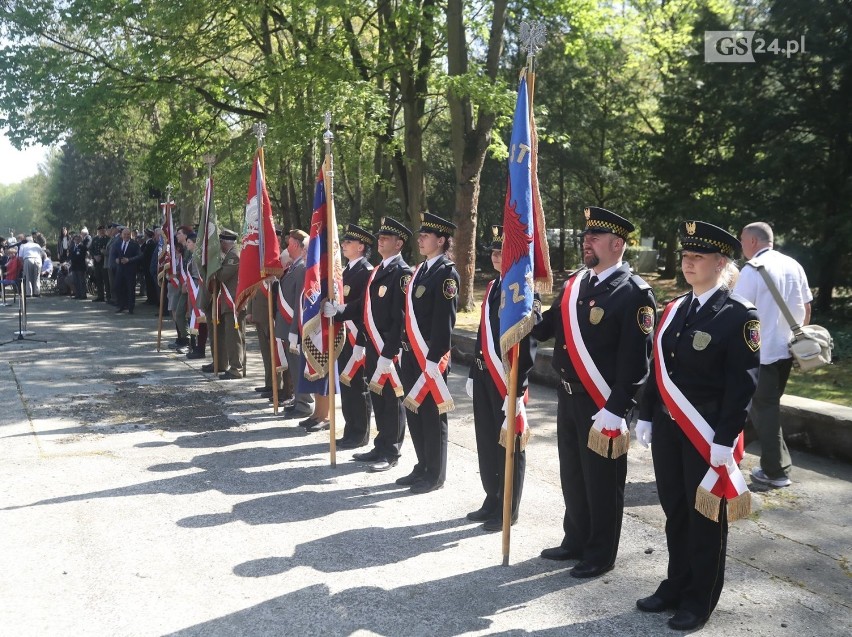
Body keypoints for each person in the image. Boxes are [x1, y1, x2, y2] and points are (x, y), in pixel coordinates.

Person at [634, 221, 760, 631]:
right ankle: (676, 583)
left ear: (720, 262)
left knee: (705, 517)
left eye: (697, 257)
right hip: (670, 431)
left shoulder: (739, 316)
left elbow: (743, 386)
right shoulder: (675, 310)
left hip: (706, 435)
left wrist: (726, 439)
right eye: (685, 256)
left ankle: (699, 599)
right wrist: (648, 413)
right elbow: (658, 370)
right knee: (674, 510)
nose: (688, 263)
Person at [531, 206, 656, 578]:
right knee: (572, 472)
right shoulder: (575, 283)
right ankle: (576, 539)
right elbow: (548, 328)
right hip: (568, 395)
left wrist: (617, 409)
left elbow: (637, 362)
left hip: (603, 403)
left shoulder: (634, 293)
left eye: (595, 238)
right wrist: (527, 312)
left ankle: (601, 553)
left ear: (616, 244)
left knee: (602, 481)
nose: (587, 242)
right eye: (586, 237)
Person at [466, 225, 539, 530]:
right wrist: (473, 371)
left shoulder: (525, 293)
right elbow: (482, 335)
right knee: (486, 440)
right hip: (485, 377)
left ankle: (508, 508)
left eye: (502, 251)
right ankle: (492, 496)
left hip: (508, 382)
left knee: (509, 444)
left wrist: (518, 389)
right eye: (494, 252)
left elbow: (528, 345)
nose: (496, 256)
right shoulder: (495, 287)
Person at [734, 221, 812, 488]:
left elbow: (738, 313)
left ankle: (776, 471)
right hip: (786, 351)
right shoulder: (794, 265)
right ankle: (740, 453)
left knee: (765, 409)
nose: (741, 245)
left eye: (742, 240)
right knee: (764, 407)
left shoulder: (752, 270)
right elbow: (807, 308)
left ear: (753, 242)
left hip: (761, 353)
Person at [395, 212, 459, 493]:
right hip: (410, 355)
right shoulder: (420, 269)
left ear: (441, 240)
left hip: (430, 359)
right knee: (415, 412)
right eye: (420, 235)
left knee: (433, 417)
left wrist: (435, 360)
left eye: (425, 235)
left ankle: (435, 473)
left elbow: (444, 321)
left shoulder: (447, 273)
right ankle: (422, 465)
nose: (419, 239)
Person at [349, 217, 413, 473]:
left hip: (390, 349)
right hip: (374, 347)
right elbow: (366, 310)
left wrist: (390, 351)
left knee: (392, 399)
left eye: (386, 238)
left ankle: (391, 450)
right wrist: (343, 312)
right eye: (380, 237)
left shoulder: (402, 273)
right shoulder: (378, 270)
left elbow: (400, 318)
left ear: (399, 244)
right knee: (378, 396)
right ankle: (381, 443)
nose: (381, 240)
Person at [323, 224, 375, 449]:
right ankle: (350, 428)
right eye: (343, 242)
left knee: (358, 385)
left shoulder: (366, 271)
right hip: (344, 336)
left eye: (348, 243)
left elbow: (363, 305)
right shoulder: (344, 271)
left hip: (357, 337)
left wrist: (340, 311)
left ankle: (360, 433)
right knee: (346, 384)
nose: (343, 245)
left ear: (361, 246)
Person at [272, 230, 313, 417]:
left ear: (296, 245)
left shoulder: (302, 268)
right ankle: (298, 399)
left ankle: (304, 404)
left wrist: (295, 328)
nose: (286, 246)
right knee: (294, 366)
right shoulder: (293, 267)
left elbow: (299, 302)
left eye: (289, 243)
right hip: (287, 326)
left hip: (293, 326)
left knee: (298, 366)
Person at [206, 229, 245, 380]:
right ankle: (230, 365)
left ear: (225, 242)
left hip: (234, 301)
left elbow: (222, 275)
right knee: (230, 336)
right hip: (229, 301)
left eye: (220, 242)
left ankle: (236, 368)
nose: (219, 245)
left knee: (234, 337)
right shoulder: (230, 254)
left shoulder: (234, 255)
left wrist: (216, 265)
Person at [114, 228, 142, 313]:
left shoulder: (134, 244)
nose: (126, 236)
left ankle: (131, 307)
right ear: (121, 235)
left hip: (130, 270)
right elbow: (114, 254)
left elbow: (140, 256)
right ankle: (122, 306)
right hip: (120, 269)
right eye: (124, 234)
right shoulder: (118, 243)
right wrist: (116, 260)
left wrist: (129, 260)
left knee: (130, 289)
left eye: (127, 234)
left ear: (130, 235)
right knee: (119, 287)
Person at [90, 226, 110, 302]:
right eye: (100, 231)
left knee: (106, 280)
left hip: (104, 262)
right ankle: (100, 296)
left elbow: (108, 250)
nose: (101, 232)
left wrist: (101, 256)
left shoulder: (108, 239)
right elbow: (91, 249)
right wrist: (94, 256)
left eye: (103, 230)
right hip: (96, 262)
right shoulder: (95, 239)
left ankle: (108, 296)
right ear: (98, 231)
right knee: (98, 279)